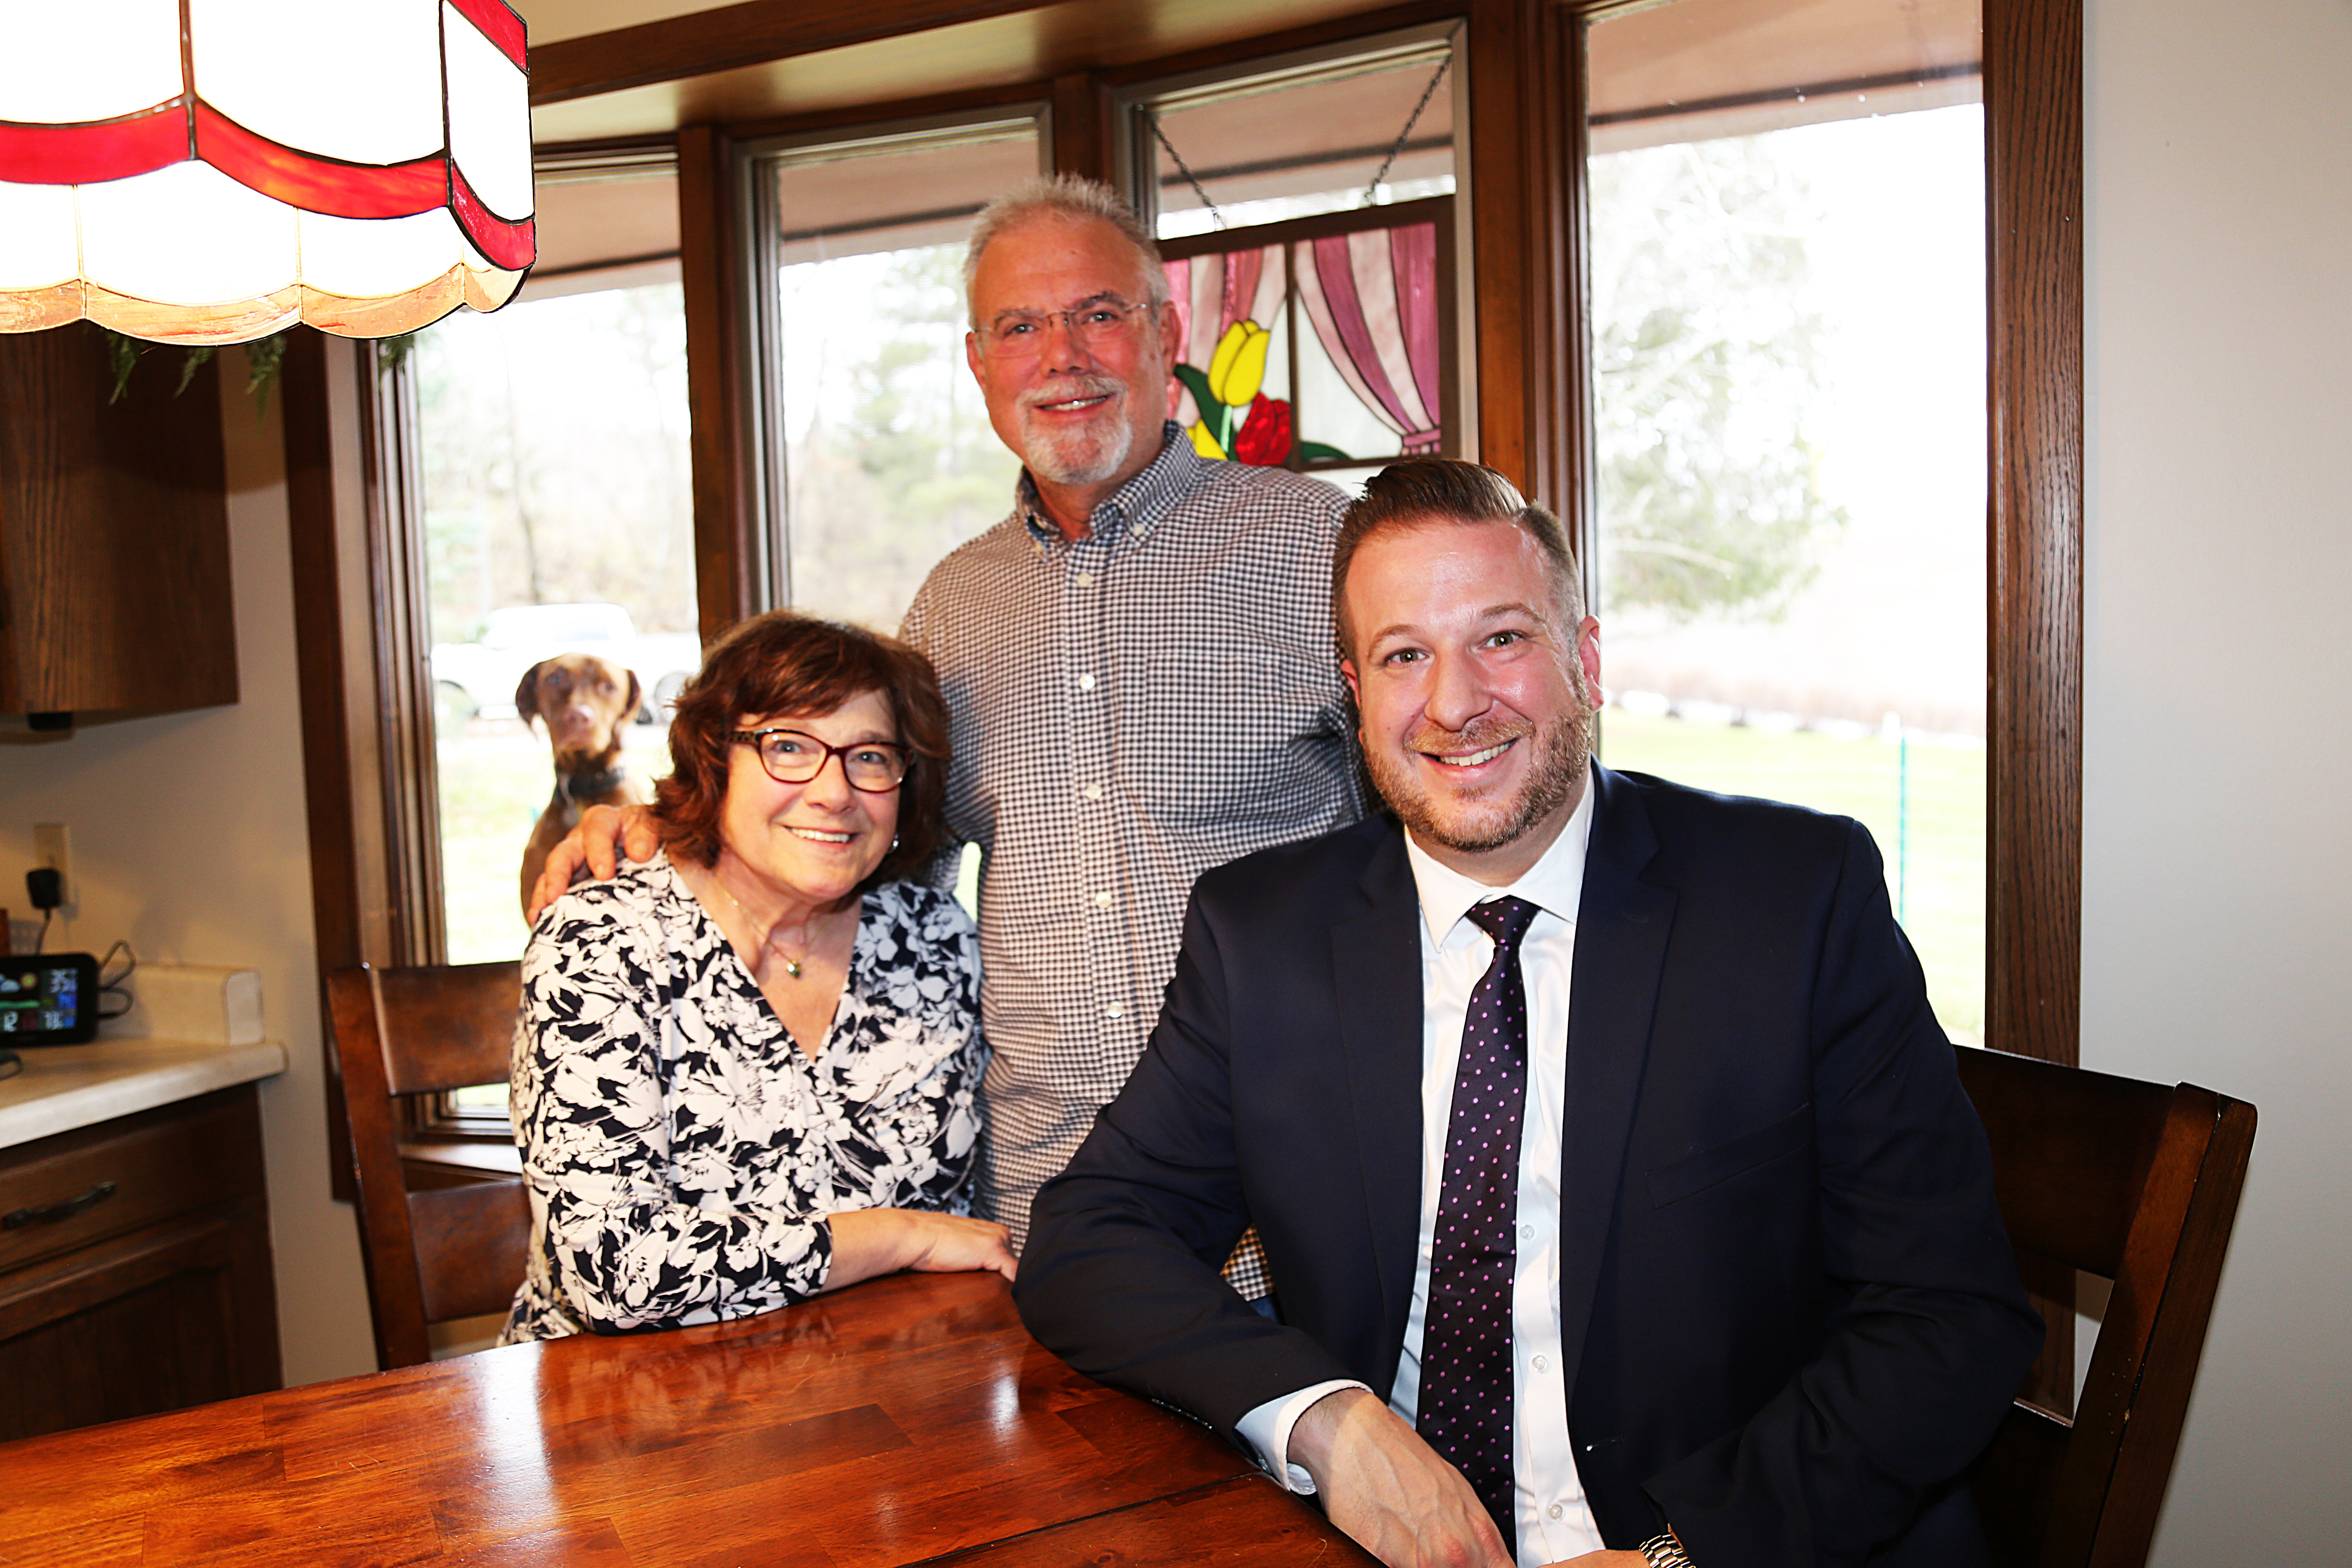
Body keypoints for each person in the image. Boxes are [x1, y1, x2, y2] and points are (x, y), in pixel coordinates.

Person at [1014, 460, 2043, 1568]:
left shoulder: (1794, 898)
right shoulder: (1262, 932)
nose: (1456, 703)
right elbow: (1089, 1238)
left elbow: (1950, 1315)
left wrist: (1682, 1557)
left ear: (1584, 662)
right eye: (1406, 654)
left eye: (1501, 639)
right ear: (1356, 694)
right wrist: (1328, 1419)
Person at [533, 176, 1366, 1285]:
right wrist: (669, 830)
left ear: (1166, 335)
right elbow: (853, 838)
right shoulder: (949, 612)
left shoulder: (1324, 553)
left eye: (1098, 314)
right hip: (1043, 1230)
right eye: (1021, 326)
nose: (1061, 355)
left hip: (1290, 1212)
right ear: (978, 363)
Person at [502, 611, 1013, 1345]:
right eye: (789, 747)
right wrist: (902, 1238)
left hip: (890, 1390)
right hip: (627, 1412)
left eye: (870, 757)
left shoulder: (931, 937)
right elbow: (611, 1272)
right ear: (714, 761)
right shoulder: (603, 941)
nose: (835, 792)